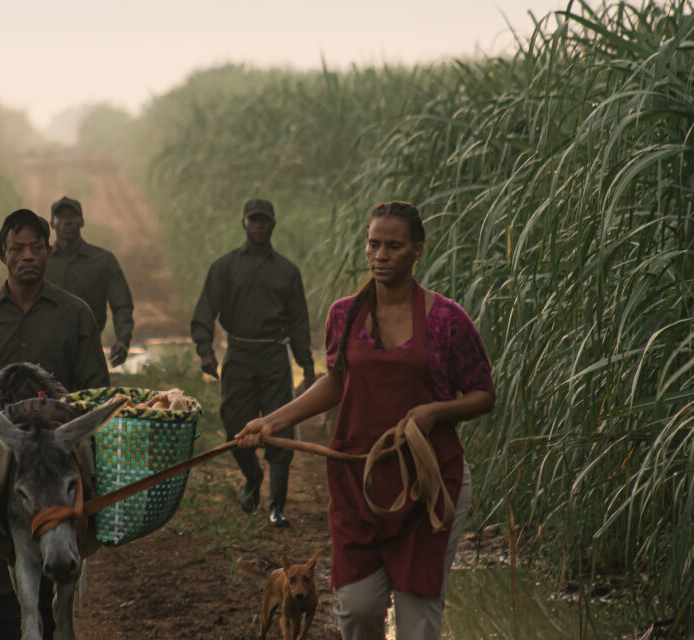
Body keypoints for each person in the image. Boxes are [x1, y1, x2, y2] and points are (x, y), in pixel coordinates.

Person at [236, 202, 495, 640]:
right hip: (358, 485)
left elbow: (484, 394)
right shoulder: (345, 314)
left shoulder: (446, 319)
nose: (380, 255)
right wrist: (272, 421)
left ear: (418, 251)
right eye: (374, 244)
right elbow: (336, 383)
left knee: (418, 618)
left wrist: (436, 411)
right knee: (357, 610)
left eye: (394, 246)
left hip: (429, 488)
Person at [0, 208, 110, 640]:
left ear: (49, 253)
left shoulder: (76, 313)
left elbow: (94, 390)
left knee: (71, 522)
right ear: (2, 254)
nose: (27, 255)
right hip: (7, 447)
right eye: (17, 248)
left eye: (36, 247)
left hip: (61, 446)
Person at [191, 198, 318, 528]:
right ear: (244, 223)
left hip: (275, 355)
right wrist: (205, 350)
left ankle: (277, 507)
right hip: (239, 353)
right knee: (235, 424)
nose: (259, 226)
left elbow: (299, 323)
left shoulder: (288, 272)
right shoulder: (225, 267)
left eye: (264, 221)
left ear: (273, 224)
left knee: (280, 425)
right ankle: (252, 476)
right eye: (253, 220)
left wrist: (307, 367)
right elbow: (205, 311)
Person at [45, 195, 136, 366]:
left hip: (89, 348)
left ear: (81, 222)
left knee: (92, 392)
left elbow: (122, 303)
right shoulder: (42, 262)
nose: (67, 222)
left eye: (72, 217)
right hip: (47, 349)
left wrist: (123, 339)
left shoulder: (103, 261)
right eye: (61, 217)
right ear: (52, 223)